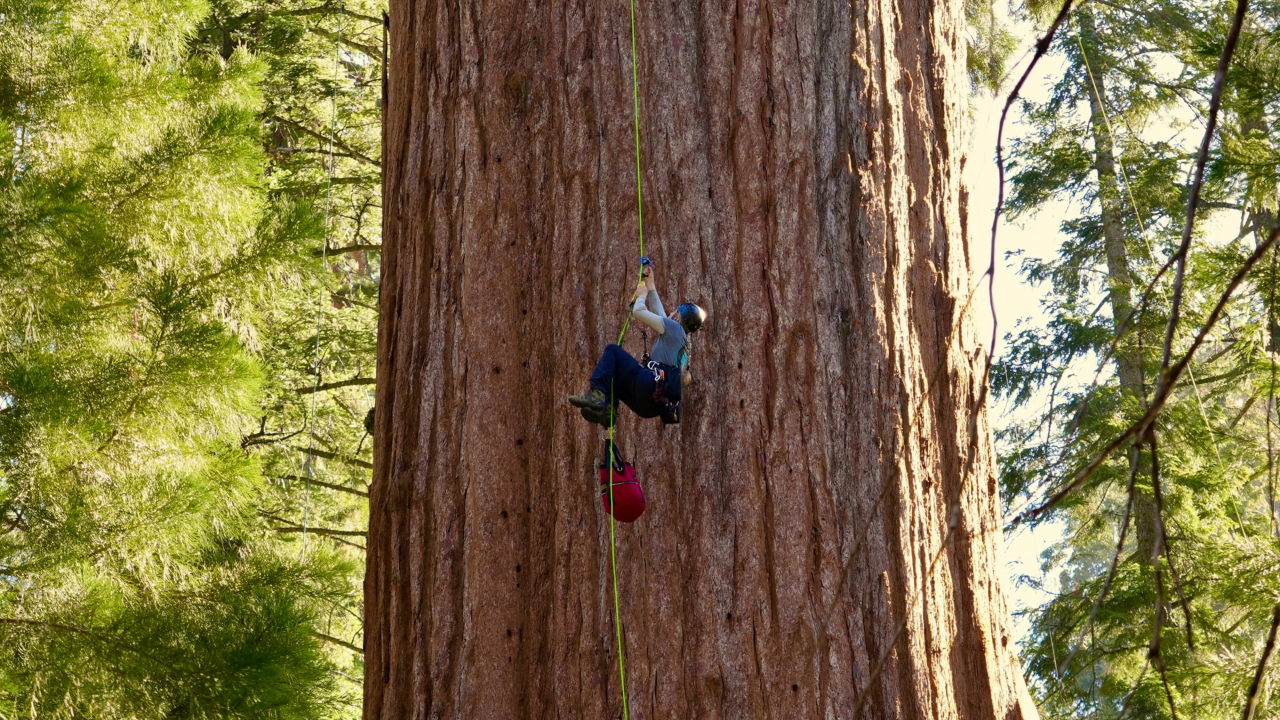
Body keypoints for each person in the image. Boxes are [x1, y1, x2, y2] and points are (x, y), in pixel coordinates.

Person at [570, 259, 706, 426]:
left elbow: (639, 311)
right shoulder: (681, 343)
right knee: (614, 374)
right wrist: (650, 285)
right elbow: (660, 315)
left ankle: (596, 396)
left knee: (612, 351)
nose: (670, 312)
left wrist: (641, 295)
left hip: (648, 385)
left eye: (674, 312)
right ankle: (607, 411)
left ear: (677, 318)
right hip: (651, 406)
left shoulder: (674, 329)